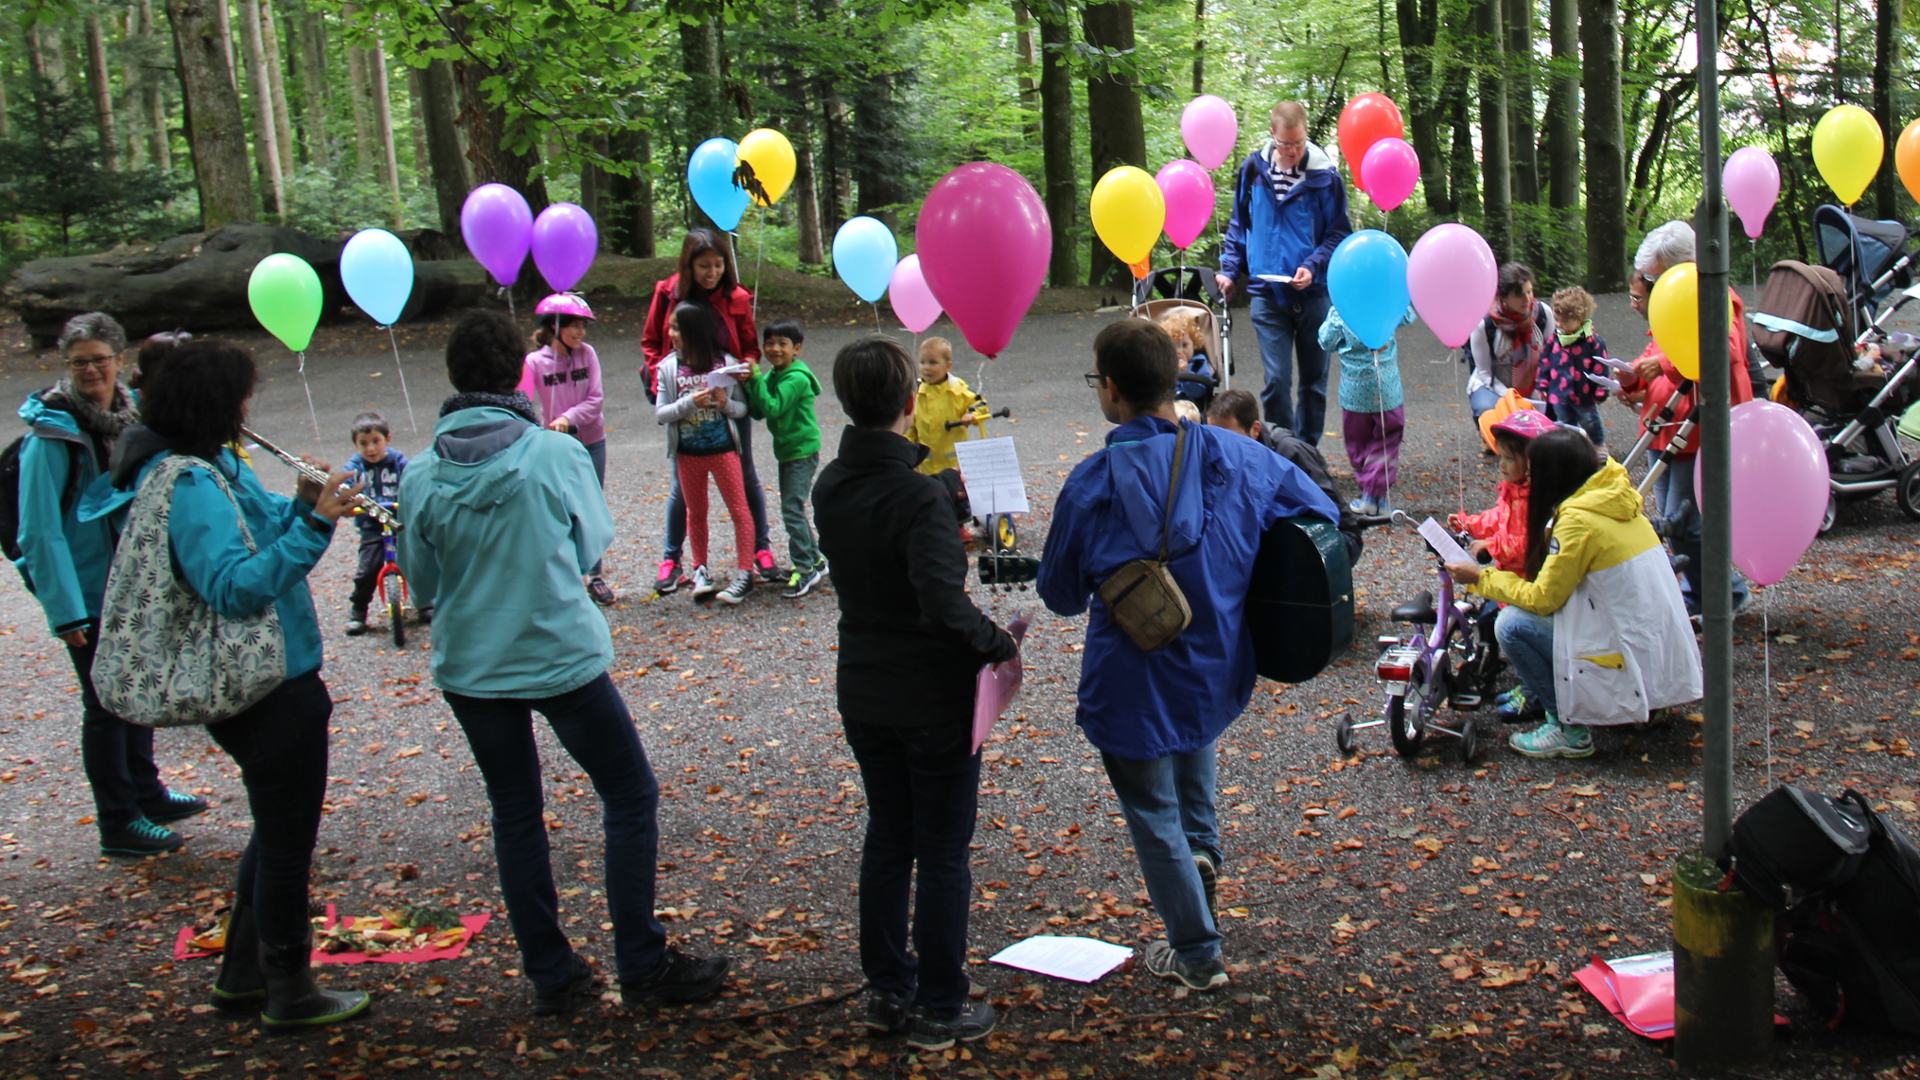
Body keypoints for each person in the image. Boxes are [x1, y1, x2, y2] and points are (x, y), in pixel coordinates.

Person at [398, 311, 730, 1016]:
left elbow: (422, 586)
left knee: (515, 813)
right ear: (516, 372)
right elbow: (591, 548)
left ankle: (552, 973)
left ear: (455, 379)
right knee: (630, 795)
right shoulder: (554, 455)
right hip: (559, 655)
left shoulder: (421, 476)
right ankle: (640, 962)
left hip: (473, 667)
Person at [1038, 320, 1339, 992]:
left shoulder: (1092, 483)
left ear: (1111, 390)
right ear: (1175, 382)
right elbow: (1320, 512)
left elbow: (1058, 594)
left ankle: (1198, 954)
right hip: (1216, 663)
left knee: (1151, 811)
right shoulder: (1241, 457)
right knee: (1194, 735)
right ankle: (1201, 852)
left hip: (1129, 679)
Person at [99, 338, 369, 1027]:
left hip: (281, 679)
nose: (251, 407)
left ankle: (243, 976)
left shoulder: (216, 464)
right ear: (214, 403)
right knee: (286, 844)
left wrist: (305, 501)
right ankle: (290, 990)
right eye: (241, 395)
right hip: (263, 694)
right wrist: (313, 528)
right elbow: (233, 587)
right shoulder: (185, 482)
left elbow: (258, 527)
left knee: (274, 832)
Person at [813, 336, 1018, 1050]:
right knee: (941, 850)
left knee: (889, 838)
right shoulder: (919, 495)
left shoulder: (829, 485)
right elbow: (940, 603)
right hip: (929, 697)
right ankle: (938, 1002)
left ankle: (886, 988)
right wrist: (999, 642)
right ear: (909, 406)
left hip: (864, 687)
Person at [13, 312, 207, 858]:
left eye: (100, 360)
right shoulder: (52, 436)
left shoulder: (128, 415)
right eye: (80, 363)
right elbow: (40, 530)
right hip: (88, 593)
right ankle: (118, 821)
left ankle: (147, 793)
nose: (90, 371)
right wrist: (65, 611)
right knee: (106, 706)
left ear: (119, 361)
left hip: (132, 584)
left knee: (137, 690)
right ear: (66, 367)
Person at [1444, 428, 1702, 759]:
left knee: (1510, 623)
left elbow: (1543, 599)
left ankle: (1567, 728)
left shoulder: (1578, 521)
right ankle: (1649, 704)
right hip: (1658, 652)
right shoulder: (1611, 497)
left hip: (1624, 648)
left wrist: (1481, 576)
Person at [1619, 220, 1755, 616]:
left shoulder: (1715, 296)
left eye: (1654, 277)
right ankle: (1711, 591)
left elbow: (1724, 348)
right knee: (1673, 521)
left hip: (1700, 426)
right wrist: (1631, 377)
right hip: (1667, 425)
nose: (1650, 285)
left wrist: (1661, 365)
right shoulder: (1676, 297)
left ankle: (1719, 595)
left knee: (1685, 523)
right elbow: (1660, 348)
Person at [641, 230, 776, 592]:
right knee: (681, 486)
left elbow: (749, 345)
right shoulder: (668, 292)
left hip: (727, 398)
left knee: (744, 474)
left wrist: (741, 370)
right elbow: (652, 342)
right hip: (686, 401)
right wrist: (665, 382)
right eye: (703, 266)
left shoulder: (736, 296)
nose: (711, 272)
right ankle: (674, 559)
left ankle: (760, 551)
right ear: (688, 265)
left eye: (718, 265)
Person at [1215, 100, 1352, 440]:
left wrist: (1312, 265)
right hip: (1266, 293)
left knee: (1313, 383)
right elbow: (1239, 226)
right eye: (1285, 143)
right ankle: (1281, 451)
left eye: (1299, 143)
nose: (1292, 151)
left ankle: (1307, 454)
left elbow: (1338, 233)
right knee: (1276, 380)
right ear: (1272, 134)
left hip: (1314, 293)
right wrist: (1230, 271)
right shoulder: (1252, 171)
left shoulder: (1325, 177)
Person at [1446, 409, 1558, 724]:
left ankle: (1536, 693)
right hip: (1511, 584)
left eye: (1509, 459)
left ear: (1532, 464)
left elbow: (1527, 544)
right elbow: (1498, 519)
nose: (1503, 466)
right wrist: (1468, 523)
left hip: (1526, 587)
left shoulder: (1535, 500)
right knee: (1497, 626)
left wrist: (1491, 546)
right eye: (1501, 458)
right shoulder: (1514, 493)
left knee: (1513, 634)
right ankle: (1528, 685)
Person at [653, 303, 757, 605]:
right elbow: (661, 413)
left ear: (694, 332)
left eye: (677, 329)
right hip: (687, 454)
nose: (671, 334)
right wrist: (689, 403)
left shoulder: (725, 364)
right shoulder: (668, 368)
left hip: (723, 451)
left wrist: (725, 403)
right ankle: (700, 569)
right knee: (696, 513)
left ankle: (744, 572)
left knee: (739, 510)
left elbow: (742, 409)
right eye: (671, 327)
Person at [520, 292, 616, 606]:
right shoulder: (534, 362)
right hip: (557, 447)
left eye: (583, 327)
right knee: (559, 509)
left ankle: (595, 576)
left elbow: (595, 399)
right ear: (554, 326)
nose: (581, 333)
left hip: (591, 441)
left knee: (590, 507)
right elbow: (521, 401)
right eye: (574, 326)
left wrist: (567, 417)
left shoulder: (587, 354)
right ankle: (564, 577)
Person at [1205, 388, 1363, 567]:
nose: (1221, 446)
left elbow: (1330, 512)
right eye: (1214, 438)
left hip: (1333, 536)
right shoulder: (1219, 454)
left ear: (1255, 430)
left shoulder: (1289, 452)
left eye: (1229, 438)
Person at [740, 319, 827, 599]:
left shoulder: (796, 378)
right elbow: (757, 410)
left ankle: (805, 569)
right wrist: (748, 384)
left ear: (797, 349)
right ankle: (815, 561)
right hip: (788, 450)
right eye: (769, 343)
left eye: (782, 344)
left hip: (801, 450)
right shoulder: (774, 374)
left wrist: (755, 380)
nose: (775, 349)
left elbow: (773, 408)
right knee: (793, 507)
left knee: (791, 508)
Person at [1320, 303, 1418, 515]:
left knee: (1358, 442)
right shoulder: (1386, 305)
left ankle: (1369, 492)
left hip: (1355, 390)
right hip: (1387, 388)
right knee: (1388, 438)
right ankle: (1376, 495)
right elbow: (1408, 315)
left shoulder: (1341, 310)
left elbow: (1325, 340)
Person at [342, 411, 409, 637]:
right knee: (367, 570)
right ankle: (359, 611)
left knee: (415, 562)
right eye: (363, 444)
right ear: (355, 445)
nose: (370, 449)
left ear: (387, 439)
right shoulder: (354, 467)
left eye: (375, 442)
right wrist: (347, 498)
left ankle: (426, 601)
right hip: (372, 528)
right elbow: (343, 485)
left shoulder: (399, 463)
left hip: (399, 524)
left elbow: (414, 479)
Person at [1467, 262, 1553, 423]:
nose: (1527, 299)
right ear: (1503, 297)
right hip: (1495, 385)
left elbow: (1551, 356)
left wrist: (1540, 389)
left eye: (1529, 291)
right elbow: (1485, 373)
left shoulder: (1543, 314)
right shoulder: (1484, 325)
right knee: (1488, 410)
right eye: (1519, 295)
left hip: (1537, 383)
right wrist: (1512, 397)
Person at [1538, 286, 1611, 447]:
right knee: (1564, 424)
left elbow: (1600, 367)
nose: (1558, 325)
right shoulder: (1554, 340)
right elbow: (1545, 363)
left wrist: (1600, 390)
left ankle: (1597, 445)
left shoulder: (1592, 342)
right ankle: (1570, 450)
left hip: (1583, 395)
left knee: (1589, 422)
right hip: (1559, 394)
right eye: (1557, 320)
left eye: (1563, 321)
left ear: (1579, 318)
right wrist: (1543, 385)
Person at [907, 337, 990, 476]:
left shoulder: (957, 390)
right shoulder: (916, 392)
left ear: (947, 366)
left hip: (955, 467)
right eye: (922, 362)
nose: (926, 367)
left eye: (933, 363)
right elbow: (910, 427)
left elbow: (980, 403)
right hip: (926, 468)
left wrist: (972, 414)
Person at [1157, 309, 1215, 407]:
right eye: (1174, 346)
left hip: (1191, 406)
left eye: (1184, 345)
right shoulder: (1162, 363)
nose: (1179, 351)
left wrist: (1185, 373)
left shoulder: (1199, 363)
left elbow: (1199, 392)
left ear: (1194, 344)